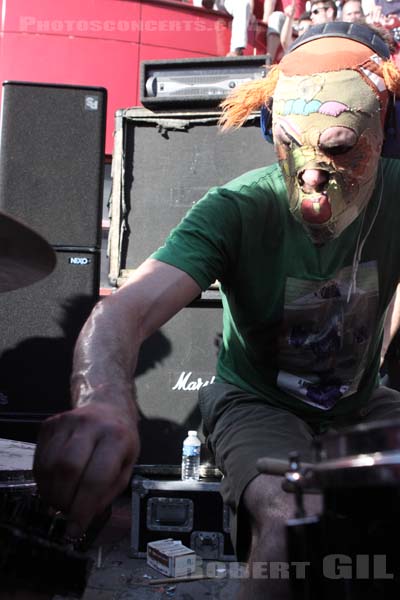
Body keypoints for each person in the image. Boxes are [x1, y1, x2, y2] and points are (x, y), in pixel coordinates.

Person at [33, 22, 400, 599]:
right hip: (256, 400)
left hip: (361, 402)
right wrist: (104, 400)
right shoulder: (236, 208)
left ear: (389, 133)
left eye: (339, 148)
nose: (310, 176)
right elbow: (124, 311)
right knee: (287, 518)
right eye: (290, 143)